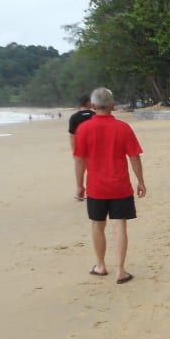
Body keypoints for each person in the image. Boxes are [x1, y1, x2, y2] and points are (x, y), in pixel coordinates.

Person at [73, 87, 146, 284]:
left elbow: (79, 160)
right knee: (119, 224)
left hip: (96, 187)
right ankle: (121, 270)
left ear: (93, 105)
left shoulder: (84, 129)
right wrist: (140, 181)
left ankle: (101, 265)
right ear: (113, 106)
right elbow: (134, 157)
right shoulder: (123, 128)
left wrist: (79, 185)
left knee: (98, 225)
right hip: (120, 186)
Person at [69, 95, 96, 200]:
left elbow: (72, 136)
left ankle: (80, 189)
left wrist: (73, 150)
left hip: (80, 146)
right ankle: (93, 191)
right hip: (94, 145)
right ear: (88, 103)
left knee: (80, 168)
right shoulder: (94, 115)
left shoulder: (74, 117)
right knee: (93, 169)